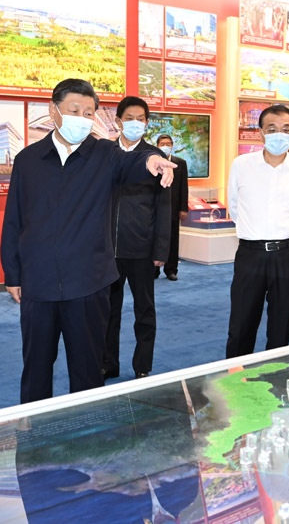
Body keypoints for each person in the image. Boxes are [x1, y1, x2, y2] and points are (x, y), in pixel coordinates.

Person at [0, 79, 177, 404]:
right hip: (38, 283)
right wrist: (13, 273)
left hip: (89, 284)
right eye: (74, 111)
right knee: (36, 367)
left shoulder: (104, 153)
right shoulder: (28, 160)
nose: (82, 119)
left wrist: (151, 160)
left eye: (88, 113)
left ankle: (89, 430)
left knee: (88, 371)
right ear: (54, 111)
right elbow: (14, 219)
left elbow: (133, 162)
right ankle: (34, 429)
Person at [226, 105, 289, 356]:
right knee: (241, 325)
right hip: (250, 255)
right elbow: (235, 206)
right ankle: (235, 374)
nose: (279, 135)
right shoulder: (242, 164)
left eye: (286, 129)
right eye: (272, 129)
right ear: (261, 132)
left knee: (281, 327)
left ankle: (274, 375)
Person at [103, 96, 171, 380]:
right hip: (108, 250)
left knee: (144, 310)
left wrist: (161, 250)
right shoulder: (105, 153)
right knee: (108, 311)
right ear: (118, 121)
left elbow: (164, 207)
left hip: (142, 248)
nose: (135, 123)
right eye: (129, 118)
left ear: (147, 122)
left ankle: (142, 365)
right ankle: (108, 363)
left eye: (140, 118)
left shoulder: (155, 157)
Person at [154, 134, 188, 281]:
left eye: (168, 144)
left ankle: (171, 270)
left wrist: (183, 208)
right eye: (162, 144)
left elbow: (183, 187)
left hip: (173, 208)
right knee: (155, 239)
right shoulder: (152, 163)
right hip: (155, 209)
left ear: (172, 145)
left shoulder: (180, 163)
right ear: (157, 146)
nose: (166, 146)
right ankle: (154, 270)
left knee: (173, 240)